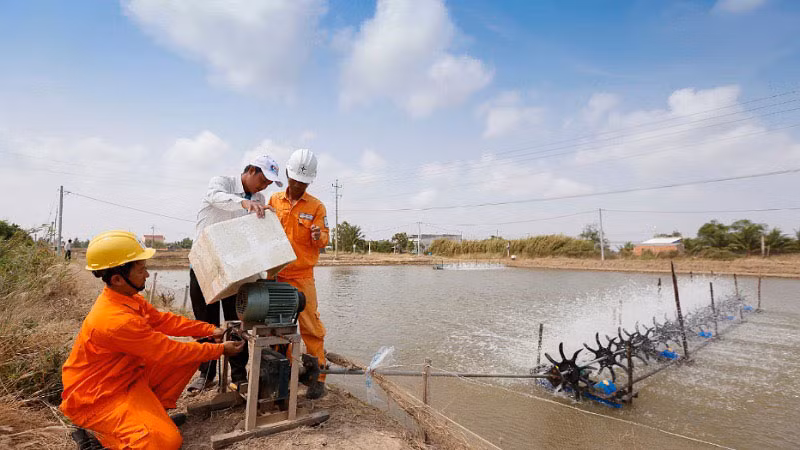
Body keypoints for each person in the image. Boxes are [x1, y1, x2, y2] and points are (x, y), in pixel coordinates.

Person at [60, 230, 244, 449]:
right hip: (98, 398)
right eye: (141, 270)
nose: (147, 275)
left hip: (125, 378)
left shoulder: (125, 298)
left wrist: (210, 330)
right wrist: (221, 350)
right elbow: (170, 350)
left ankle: (151, 417)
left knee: (194, 352)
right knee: (166, 442)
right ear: (118, 278)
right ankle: (105, 435)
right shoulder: (116, 320)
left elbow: (164, 321)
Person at [187, 155, 283, 394]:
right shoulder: (222, 183)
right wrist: (244, 204)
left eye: (271, 183)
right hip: (206, 263)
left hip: (235, 267)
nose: (266, 186)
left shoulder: (260, 199)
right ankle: (205, 374)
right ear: (250, 170)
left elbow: (254, 236)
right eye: (263, 179)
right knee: (205, 323)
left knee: (237, 322)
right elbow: (218, 198)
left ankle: (239, 376)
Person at [269, 149, 329, 399]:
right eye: (294, 180)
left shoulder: (316, 206)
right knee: (277, 328)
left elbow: (324, 238)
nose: (298, 185)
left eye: (303, 182)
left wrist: (318, 237)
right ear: (287, 175)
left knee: (310, 327)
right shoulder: (273, 201)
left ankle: (318, 377)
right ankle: (284, 373)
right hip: (276, 275)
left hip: (303, 275)